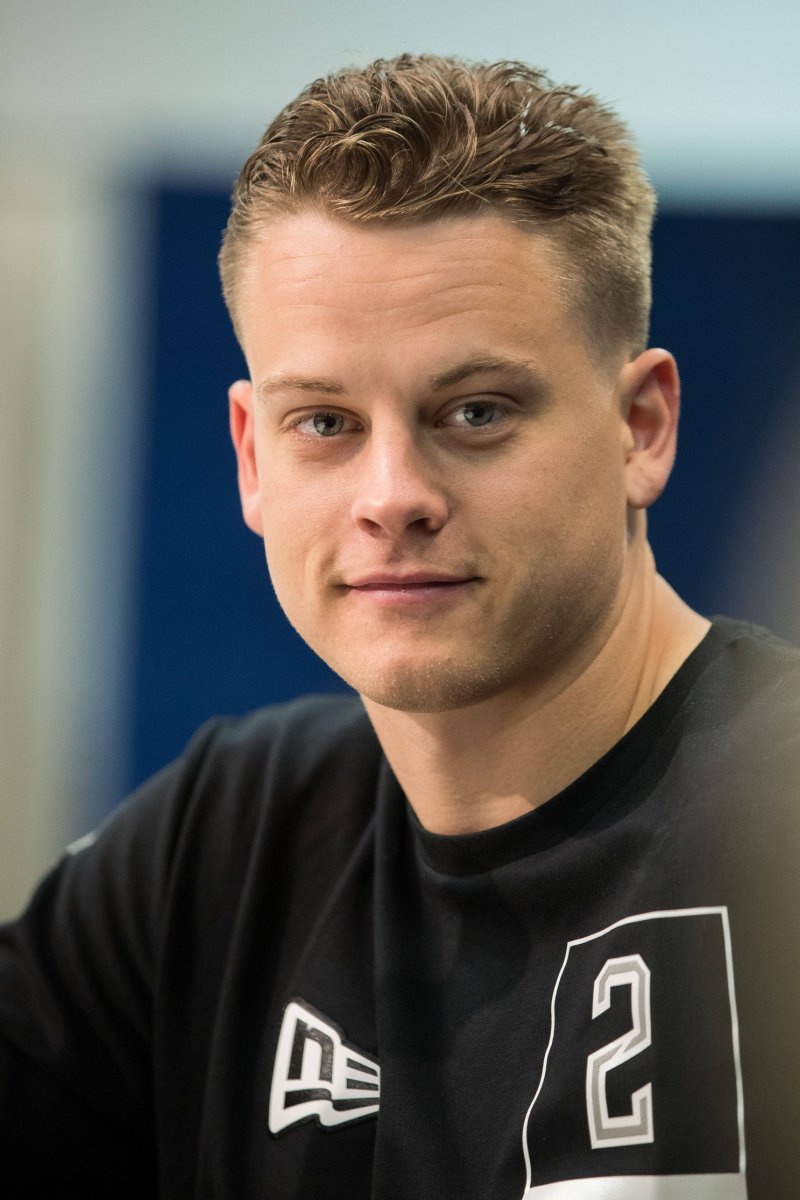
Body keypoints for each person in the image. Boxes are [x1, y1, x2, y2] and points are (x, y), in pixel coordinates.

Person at [1, 52, 798, 1199]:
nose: (392, 493)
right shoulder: (223, 842)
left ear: (640, 428)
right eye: (323, 421)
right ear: (249, 459)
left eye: (473, 412)